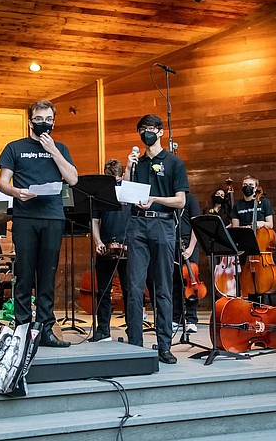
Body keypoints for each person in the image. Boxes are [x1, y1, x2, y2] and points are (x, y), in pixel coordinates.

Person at [0, 99, 78, 348]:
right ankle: (21, 328)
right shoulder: (15, 147)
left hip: (53, 216)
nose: (44, 124)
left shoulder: (60, 147)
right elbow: (2, 182)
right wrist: (16, 192)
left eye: (49, 120)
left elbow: (73, 179)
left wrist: (53, 151)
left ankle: (45, 328)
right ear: (30, 121)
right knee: (24, 273)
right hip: (25, 217)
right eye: (40, 119)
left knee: (47, 274)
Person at [124, 114, 188, 364]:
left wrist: (155, 199)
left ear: (160, 132)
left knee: (163, 287)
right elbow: (126, 197)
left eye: (150, 129)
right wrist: (128, 168)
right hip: (138, 224)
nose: (146, 133)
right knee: (134, 287)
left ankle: (164, 345)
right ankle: (135, 345)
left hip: (162, 223)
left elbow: (180, 200)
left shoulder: (174, 163)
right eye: (142, 129)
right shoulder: (137, 163)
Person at [91, 159, 131, 342]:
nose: (112, 182)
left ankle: (133, 329)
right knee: (103, 290)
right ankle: (103, 331)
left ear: (121, 175)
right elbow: (94, 220)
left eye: (114, 178)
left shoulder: (129, 189)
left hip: (128, 246)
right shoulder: (100, 192)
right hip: (106, 245)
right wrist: (98, 241)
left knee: (130, 290)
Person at [172, 192, 202, 333]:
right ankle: (175, 318)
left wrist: (190, 248)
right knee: (175, 282)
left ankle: (191, 318)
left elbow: (196, 225)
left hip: (188, 245)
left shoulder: (191, 200)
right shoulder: (169, 199)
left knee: (191, 282)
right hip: (173, 245)